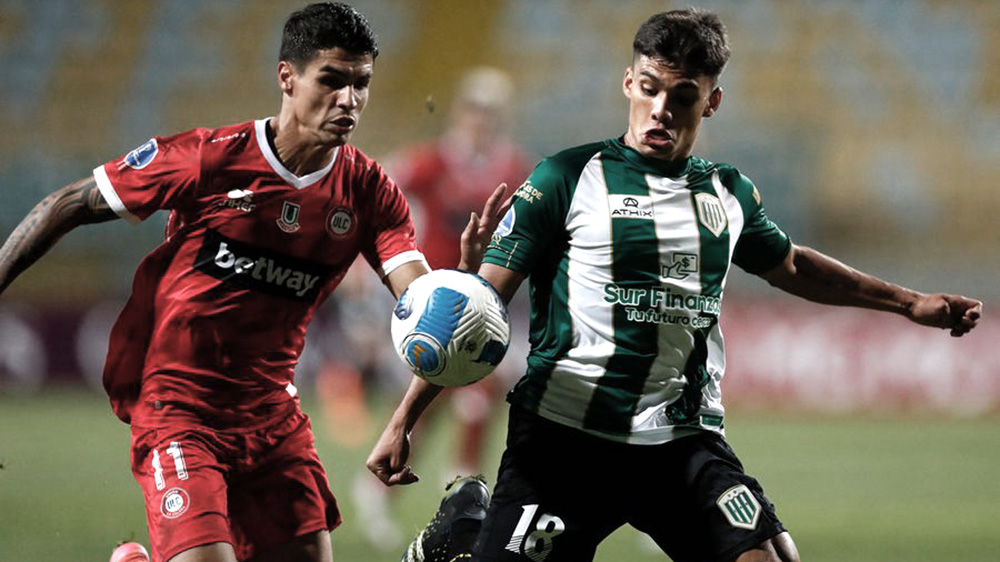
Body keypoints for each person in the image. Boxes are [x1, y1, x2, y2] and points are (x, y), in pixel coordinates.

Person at [367, 8, 983, 562]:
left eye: (683, 95)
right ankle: (464, 536)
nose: (661, 108)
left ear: (711, 102)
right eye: (650, 88)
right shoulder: (566, 178)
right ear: (628, 83)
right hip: (564, 440)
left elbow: (791, 265)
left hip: (680, 442)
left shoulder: (728, 194)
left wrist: (909, 303)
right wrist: (404, 421)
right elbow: (475, 310)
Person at [0, 3, 505, 562]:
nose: (348, 100)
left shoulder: (369, 192)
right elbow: (67, 203)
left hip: (272, 416)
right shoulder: (208, 159)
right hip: (180, 408)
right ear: (287, 77)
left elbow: (433, 319)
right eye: (331, 80)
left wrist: (451, 308)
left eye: (361, 83)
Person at [345, 66, 534, 550]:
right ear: (460, 112)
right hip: (431, 306)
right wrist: (364, 269)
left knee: (472, 393)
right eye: (475, 109)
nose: (481, 119)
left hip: (485, 307)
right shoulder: (433, 162)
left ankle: (448, 488)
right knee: (451, 396)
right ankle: (452, 489)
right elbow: (372, 186)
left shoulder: (514, 168)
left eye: (490, 111)